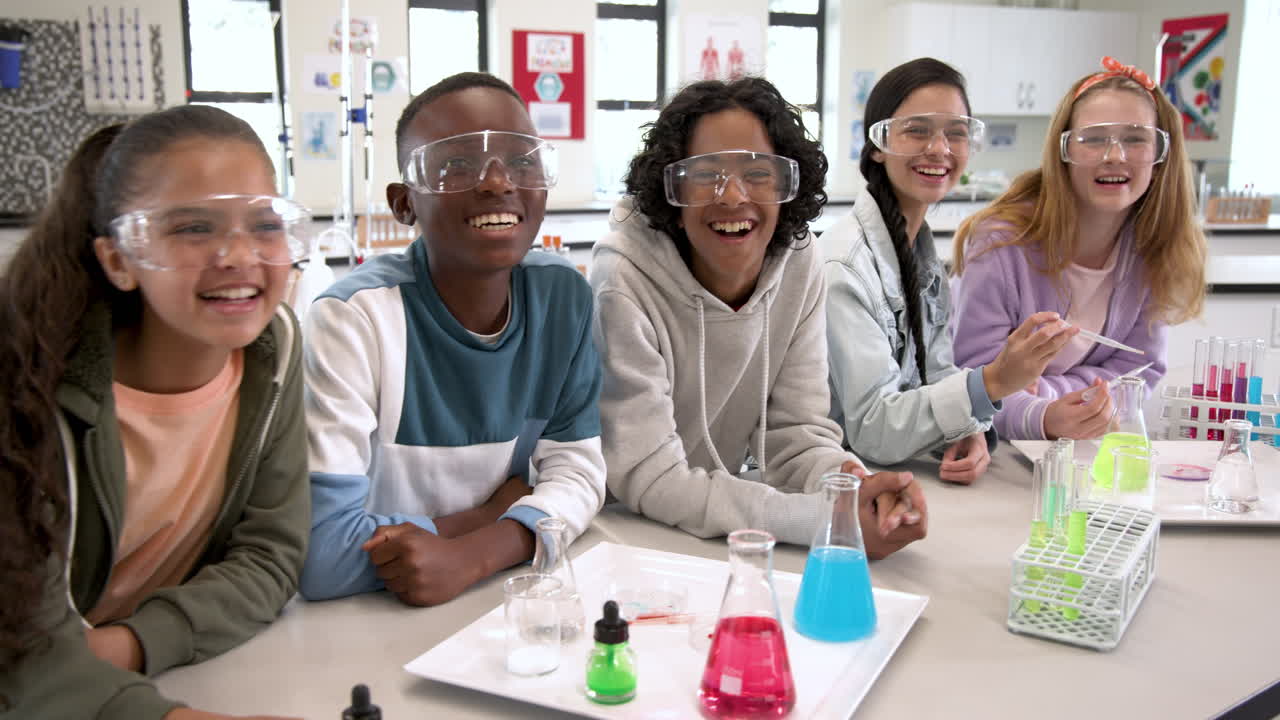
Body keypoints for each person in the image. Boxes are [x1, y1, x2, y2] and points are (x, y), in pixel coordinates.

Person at [0, 106, 309, 719]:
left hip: (121, 674)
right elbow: (16, 637)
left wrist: (127, 646)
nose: (238, 255)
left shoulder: (276, 348)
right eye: (194, 228)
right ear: (119, 260)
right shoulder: (28, 381)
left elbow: (271, 554)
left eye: (266, 224)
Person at [301, 72, 605, 606]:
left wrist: (481, 552)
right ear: (404, 204)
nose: (496, 181)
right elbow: (321, 553)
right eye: (456, 164)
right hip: (367, 619)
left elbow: (577, 474)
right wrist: (486, 516)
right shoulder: (354, 320)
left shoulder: (564, 301)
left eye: (521, 160)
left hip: (492, 602)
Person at [591, 76, 927, 556]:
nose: (732, 197)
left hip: (718, 532)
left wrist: (853, 490)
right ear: (671, 189)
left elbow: (797, 436)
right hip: (622, 535)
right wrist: (822, 521)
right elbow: (649, 475)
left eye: (758, 173)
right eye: (705, 173)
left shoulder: (798, 261)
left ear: (789, 184)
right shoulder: (623, 278)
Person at [822, 58, 1075, 482]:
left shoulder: (921, 256)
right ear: (878, 145)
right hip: (839, 484)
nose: (939, 148)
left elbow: (934, 377)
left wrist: (967, 430)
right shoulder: (844, 266)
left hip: (893, 477)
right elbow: (872, 429)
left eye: (955, 132)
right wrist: (993, 382)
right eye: (917, 130)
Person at [951, 57, 1206, 440]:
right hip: (993, 450)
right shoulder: (1002, 243)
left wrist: (1054, 398)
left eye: (1135, 138)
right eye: (1094, 138)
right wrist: (1041, 417)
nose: (1115, 155)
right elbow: (970, 378)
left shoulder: (1153, 248)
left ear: (1160, 156)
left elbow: (1139, 371)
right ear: (1064, 152)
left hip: (1086, 450)